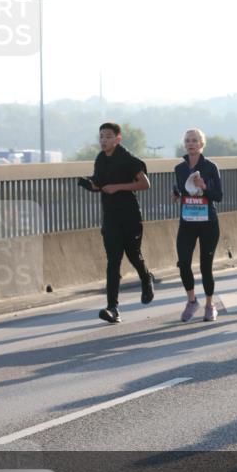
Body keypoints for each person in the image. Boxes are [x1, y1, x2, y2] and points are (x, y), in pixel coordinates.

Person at [77, 122, 154, 323]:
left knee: (134, 255)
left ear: (118, 139)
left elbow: (145, 184)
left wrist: (118, 187)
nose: (104, 140)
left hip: (129, 217)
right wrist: (89, 184)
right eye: (101, 136)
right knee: (113, 262)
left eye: (108, 136)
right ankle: (113, 308)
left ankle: (146, 279)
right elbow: (100, 185)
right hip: (110, 218)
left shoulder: (127, 159)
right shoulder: (100, 159)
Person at [173, 129, 223, 322]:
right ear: (184, 144)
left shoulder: (210, 167)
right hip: (187, 222)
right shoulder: (179, 168)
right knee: (183, 262)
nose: (191, 144)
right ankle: (192, 300)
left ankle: (210, 304)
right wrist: (176, 194)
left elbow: (218, 196)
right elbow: (179, 187)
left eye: (195, 141)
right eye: (188, 141)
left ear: (202, 144)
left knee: (205, 266)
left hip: (208, 223)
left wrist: (204, 187)